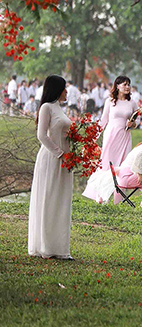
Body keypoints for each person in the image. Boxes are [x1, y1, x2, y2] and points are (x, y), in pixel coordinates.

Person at [28, 75, 73, 260]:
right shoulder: (46, 108)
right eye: (64, 88)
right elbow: (42, 135)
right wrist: (60, 153)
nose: (67, 91)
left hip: (65, 160)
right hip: (51, 158)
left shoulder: (60, 109)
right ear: (57, 89)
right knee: (49, 198)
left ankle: (60, 247)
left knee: (62, 201)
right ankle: (45, 246)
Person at [82, 76, 142, 204]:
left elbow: (136, 121)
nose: (127, 87)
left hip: (125, 136)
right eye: (124, 84)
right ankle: (101, 196)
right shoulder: (110, 101)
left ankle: (118, 198)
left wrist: (132, 124)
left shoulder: (132, 103)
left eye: (128, 85)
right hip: (111, 136)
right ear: (118, 86)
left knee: (123, 166)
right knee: (106, 165)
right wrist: (93, 137)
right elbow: (104, 120)